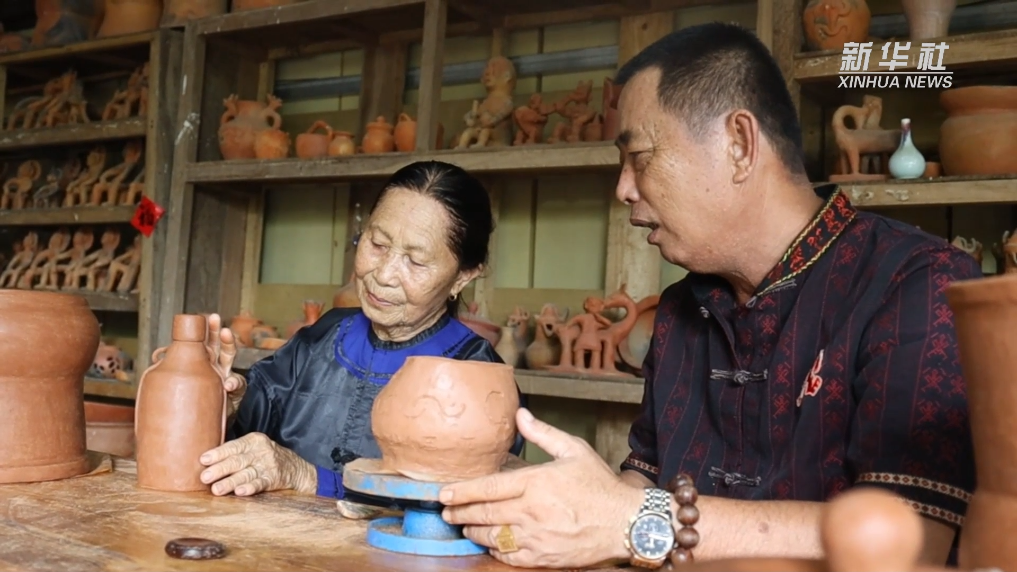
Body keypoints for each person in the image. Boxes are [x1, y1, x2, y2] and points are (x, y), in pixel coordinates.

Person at [438, 22, 979, 570]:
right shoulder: (679, 310)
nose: (623, 188)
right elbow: (643, 482)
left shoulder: (920, 283)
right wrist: (556, 506)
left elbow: (913, 537)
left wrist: (631, 519)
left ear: (739, 144)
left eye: (639, 156)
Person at [195, 160, 525, 500]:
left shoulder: (482, 380)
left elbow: (462, 506)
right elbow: (244, 439)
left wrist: (308, 477)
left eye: (415, 261)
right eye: (377, 244)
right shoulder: (322, 337)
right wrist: (224, 404)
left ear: (463, 276)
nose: (383, 274)